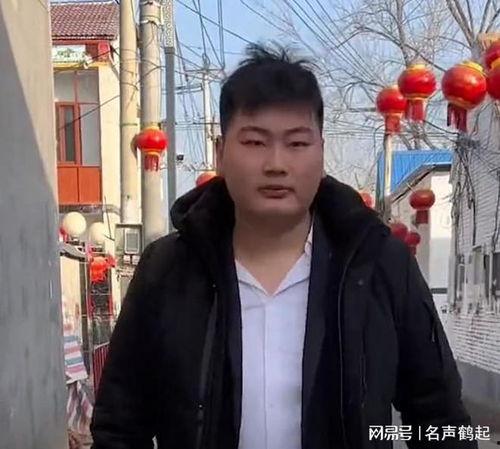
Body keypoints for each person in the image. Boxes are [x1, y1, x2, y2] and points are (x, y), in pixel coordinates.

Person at [91, 44, 476, 449]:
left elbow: (440, 418)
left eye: (296, 144)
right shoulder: (169, 269)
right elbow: (120, 426)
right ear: (221, 154)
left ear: (321, 152)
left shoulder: (376, 264)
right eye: (255, 142)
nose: (276, 164)